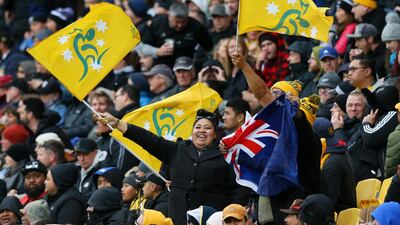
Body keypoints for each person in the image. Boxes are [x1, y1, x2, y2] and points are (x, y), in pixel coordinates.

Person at [97, 109, 249, 225]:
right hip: (178, 220)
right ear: (192, 131)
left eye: (207, 128)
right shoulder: (177, 150)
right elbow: (147, 139)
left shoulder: (226, 156)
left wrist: (231, 216)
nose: (202, 131)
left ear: (215, 134)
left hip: (211, 220)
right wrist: (117, 123)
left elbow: (239, 190)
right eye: (198, 127)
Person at [231, 52, 322, 224]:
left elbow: (261, 93)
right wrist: (235, 148)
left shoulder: (305, 135)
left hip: (297, 213)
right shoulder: (273, 136)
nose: (274, 103)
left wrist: (244, 66)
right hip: (269, 213)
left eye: (279, 97)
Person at [140, 2, 213, 67]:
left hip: (186, 66)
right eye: (177, 22)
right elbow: (142, 47)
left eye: (183, 22)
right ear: (169, 17)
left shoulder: (196, 27)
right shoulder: (157, 24)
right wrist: (157, 51)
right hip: (161, 66)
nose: (180, 25)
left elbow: (209, 48)